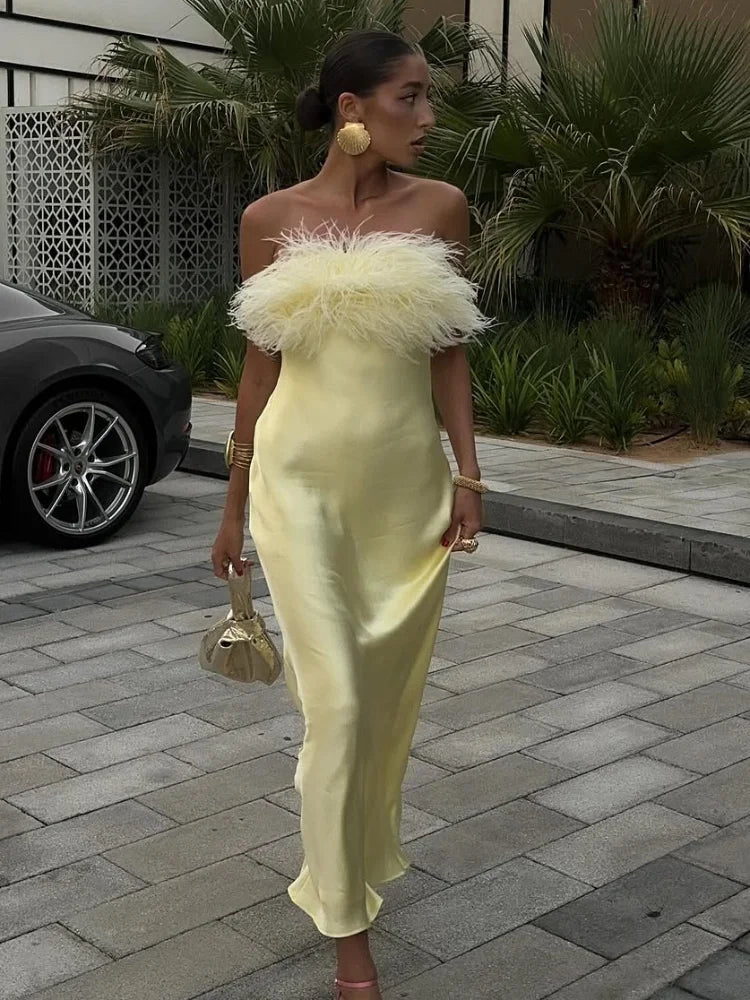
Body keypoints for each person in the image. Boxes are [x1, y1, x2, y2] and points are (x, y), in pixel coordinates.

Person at [211, 28, 489, 1000]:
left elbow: (450, 349)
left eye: (427, 97)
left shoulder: (442, 209)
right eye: (411, 96)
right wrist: (234, 500)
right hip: (300, 487)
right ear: (351, 109)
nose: (428, 116)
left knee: (381, 706)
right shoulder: (269, 217)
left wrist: (469, 474)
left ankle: (354, 856)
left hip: (404, 493)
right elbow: (259, 364)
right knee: (334, 706)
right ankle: (347, 934)